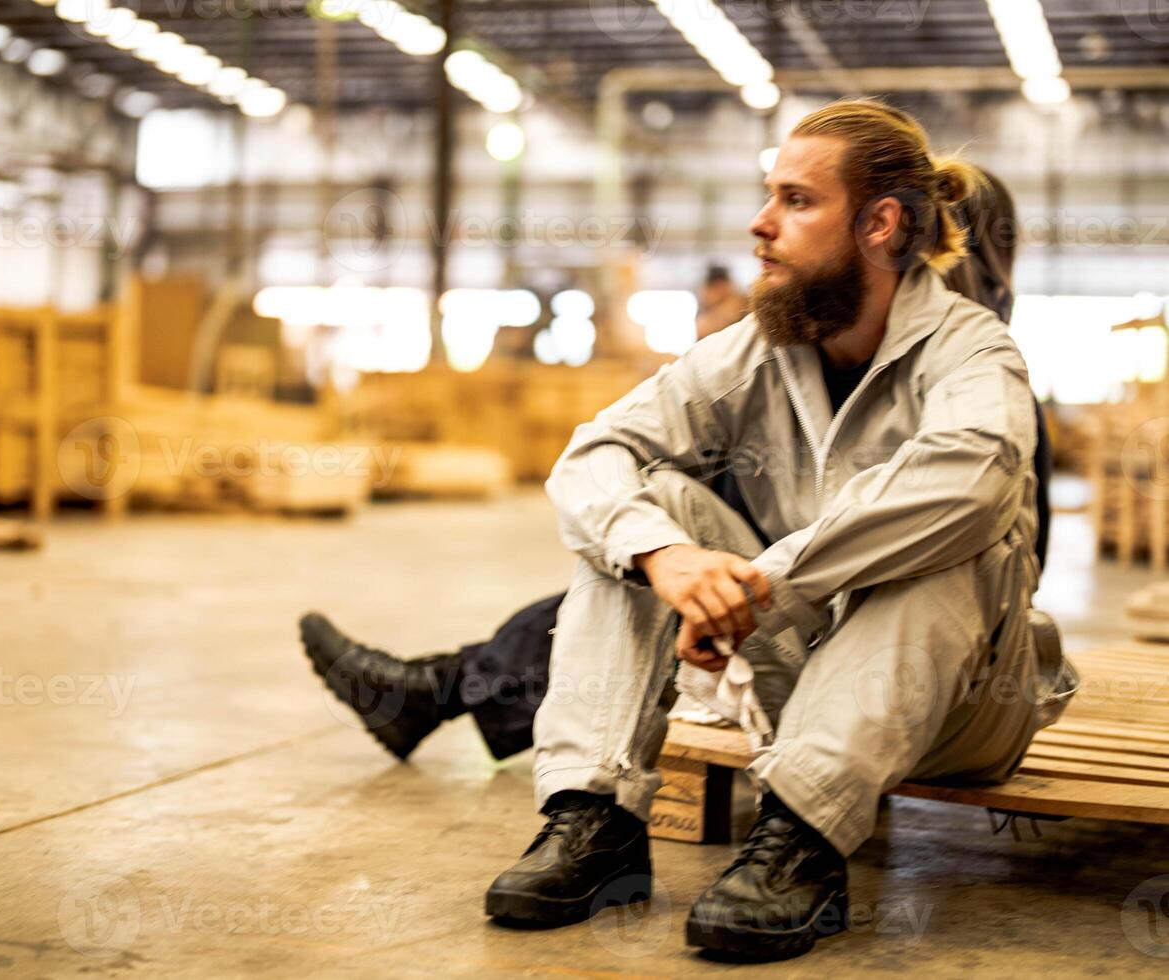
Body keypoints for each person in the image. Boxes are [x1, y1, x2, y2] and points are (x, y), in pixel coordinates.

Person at [304, 99, 1077, 961]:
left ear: (879, 223)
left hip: (960, 704)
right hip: (811, 673)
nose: (760, 223)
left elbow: (964, 485)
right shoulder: (759, 348)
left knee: (943, 536)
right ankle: (595, 820)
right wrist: (667, 558)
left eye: (795, 200)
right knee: (636, 514)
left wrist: (764, 584)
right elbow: (594, 452)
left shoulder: (973, 352)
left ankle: (802, 846)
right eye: (767, 197)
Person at [301, 167, 1050, 770]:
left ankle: (436, 689)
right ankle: (446, 692)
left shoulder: (977, 384)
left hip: (892, 643)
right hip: (791, 606)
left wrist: (764, 574)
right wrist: (674, 552)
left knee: (689, 585)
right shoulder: (807, 360)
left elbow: (1002, 555)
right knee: (644, 557)